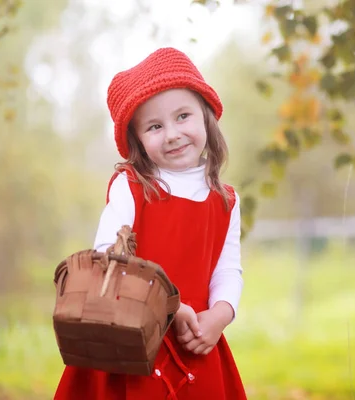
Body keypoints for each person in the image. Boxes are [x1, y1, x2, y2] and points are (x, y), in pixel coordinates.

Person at [54, 47, 247, 400]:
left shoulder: (225, 200)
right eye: (155, 126)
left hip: (197, 342)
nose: (172, 134)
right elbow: (107, 263)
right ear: (138, 140)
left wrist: (220, 316)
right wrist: (171, 307)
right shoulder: (132, 188)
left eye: (183, 116)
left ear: (206, 116)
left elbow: (228, 269)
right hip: (127, 340)